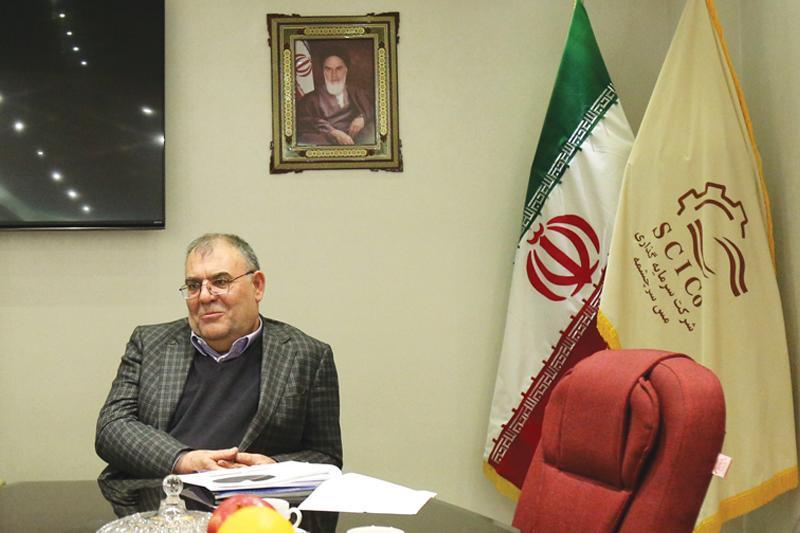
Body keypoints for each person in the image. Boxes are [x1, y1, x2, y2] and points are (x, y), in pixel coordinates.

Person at [95, 233, 342, 478]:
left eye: (221, 281)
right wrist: (182, 460)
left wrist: (274, 467)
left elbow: (325, 455)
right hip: (161, 495)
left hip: (255, 498)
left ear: (257, 286)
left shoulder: (307, 357)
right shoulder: (150, 344)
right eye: (194, 286)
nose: (204, 296)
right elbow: (111, 427)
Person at [296, 49, 375, 146]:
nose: (333, 75)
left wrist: (363, 118)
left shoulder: (358, 93)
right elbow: (301, 121)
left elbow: (376, 108)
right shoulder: (310, 100)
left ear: (346, 70)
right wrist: (332, 132)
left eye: (338, 69)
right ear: (323, 71)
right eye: (328, 69)